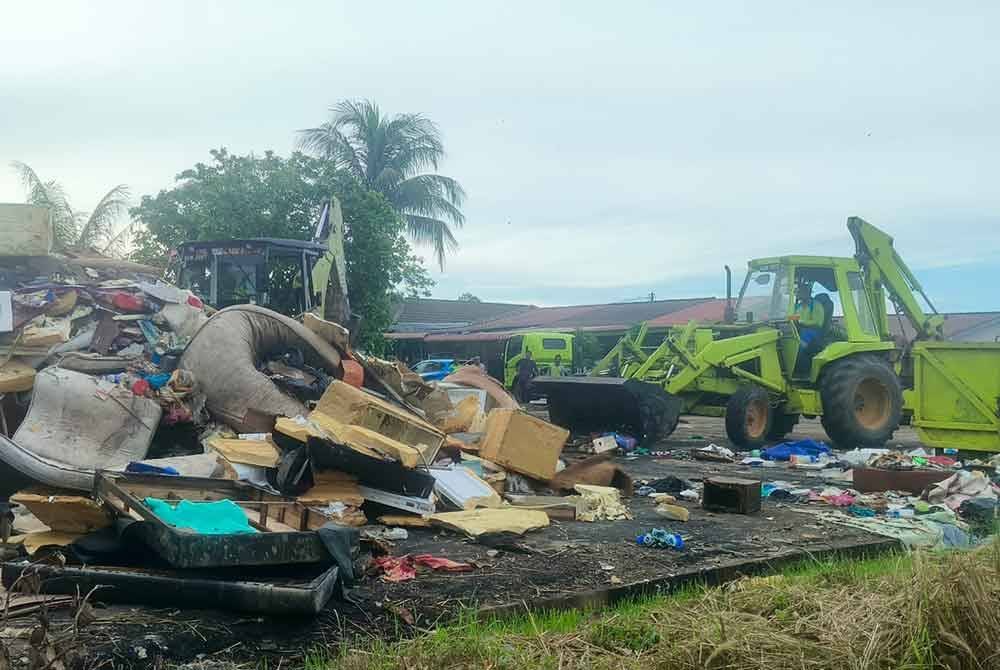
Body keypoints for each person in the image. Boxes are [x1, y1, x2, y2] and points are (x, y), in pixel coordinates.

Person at [793, 282, 827, 371]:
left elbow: (818, 322)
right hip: (798, 329)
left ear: (807, 293)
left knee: (797, 344)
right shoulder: (797, 306)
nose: (798, 294)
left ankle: (798, 368)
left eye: (800, 292)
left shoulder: (816, 305)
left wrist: (801, 322)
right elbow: (793, 317)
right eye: (798, 292)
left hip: (813, 331)